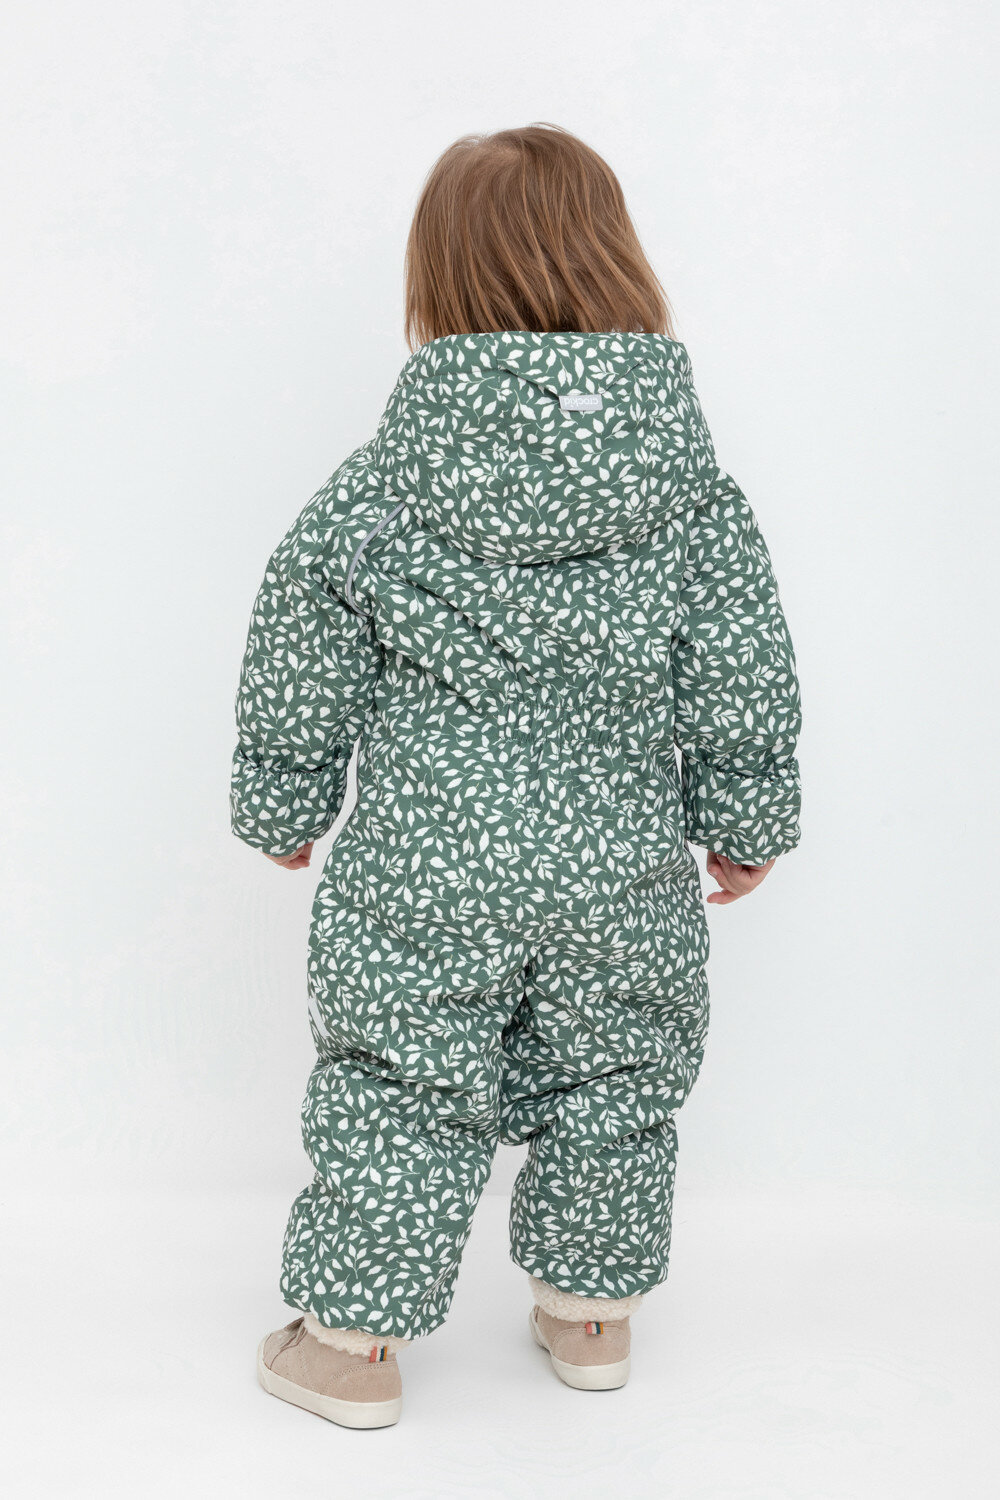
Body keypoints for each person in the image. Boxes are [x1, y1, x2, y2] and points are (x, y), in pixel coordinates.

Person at [231, 123, 801, 1429]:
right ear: (619, 261)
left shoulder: (382, 486)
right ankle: (591, 1318)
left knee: (402, 1084)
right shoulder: (691, 492)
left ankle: (349, 1347)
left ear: (436, 280)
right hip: (622, 866)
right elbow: (742, 664)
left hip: (424, 866)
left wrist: (284, 798)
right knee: (616, 1076)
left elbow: (301, 632)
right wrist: (746, 816)